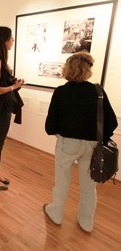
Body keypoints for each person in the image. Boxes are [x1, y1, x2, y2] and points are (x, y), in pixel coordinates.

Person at [44, 51, 118, 232]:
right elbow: (112, 122)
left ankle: (56, 213)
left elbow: (50, 127)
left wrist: (60, 133)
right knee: (88, 185)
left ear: (68, 69)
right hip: (92, 146)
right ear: (87, 70)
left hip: (67, 143)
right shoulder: (98, 91)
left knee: (62, 181)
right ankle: (86, 222)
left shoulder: (61, 92)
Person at [0, 26, 24, 190]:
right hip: (1, 110)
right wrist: (13, 87)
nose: (13, 40)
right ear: (3, 40)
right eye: (10, 38)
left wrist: (13, 82)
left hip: (2, 109)